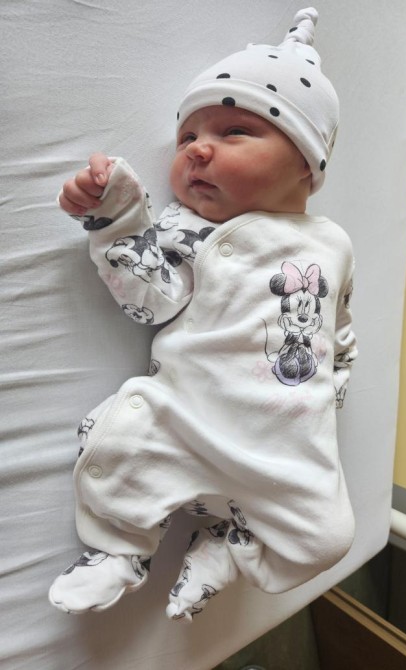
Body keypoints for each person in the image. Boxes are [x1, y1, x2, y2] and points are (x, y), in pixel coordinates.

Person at [49, 7, 358, 622]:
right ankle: (119, 548)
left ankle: (229, 544)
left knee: (327, 541)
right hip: (187, 419)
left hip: (286, 446)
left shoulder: (333, 244)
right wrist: (116, 216)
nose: (198, 151)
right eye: (187, 138)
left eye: (234, 132)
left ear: (306, 161)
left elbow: (339, 327)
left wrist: (333, 389)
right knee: (112, 448)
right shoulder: (191, 231)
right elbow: (149, 298)